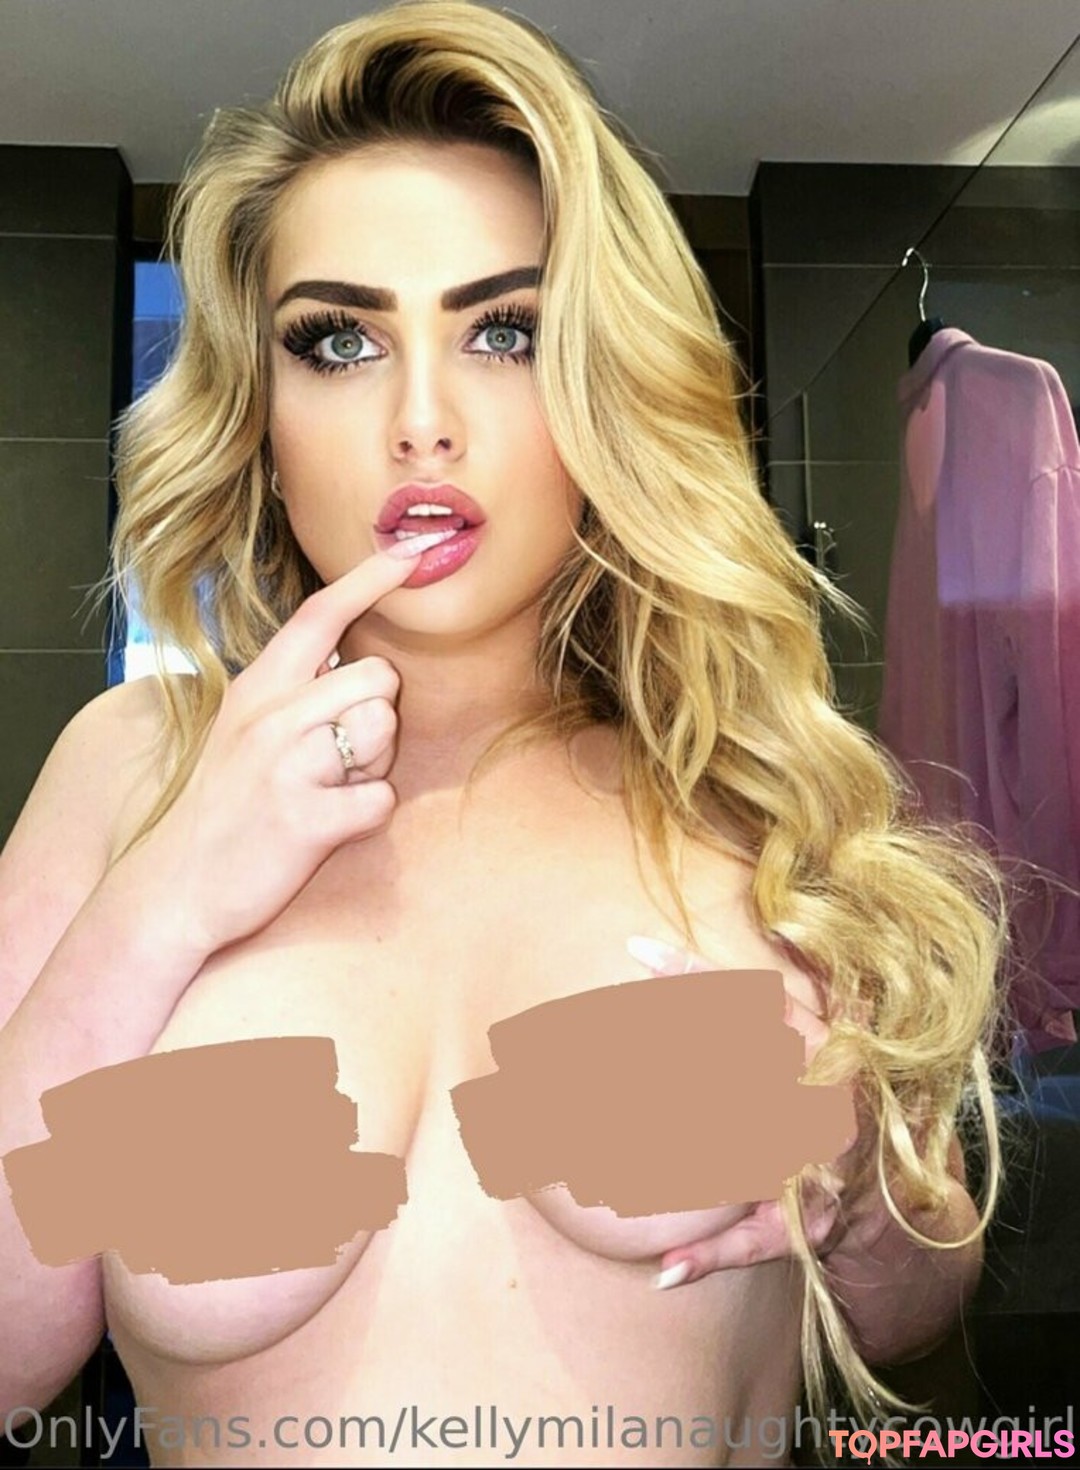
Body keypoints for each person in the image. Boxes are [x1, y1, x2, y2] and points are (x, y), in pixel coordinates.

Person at [0, 2, 1009, 1464]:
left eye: (506, 331)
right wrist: (159, 907)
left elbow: (920, 1304)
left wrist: (856, 1192)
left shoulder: (737, 779)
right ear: (259, 421)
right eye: (338, 340)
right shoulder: (135, 766)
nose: (422, 421)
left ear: (604, 387)